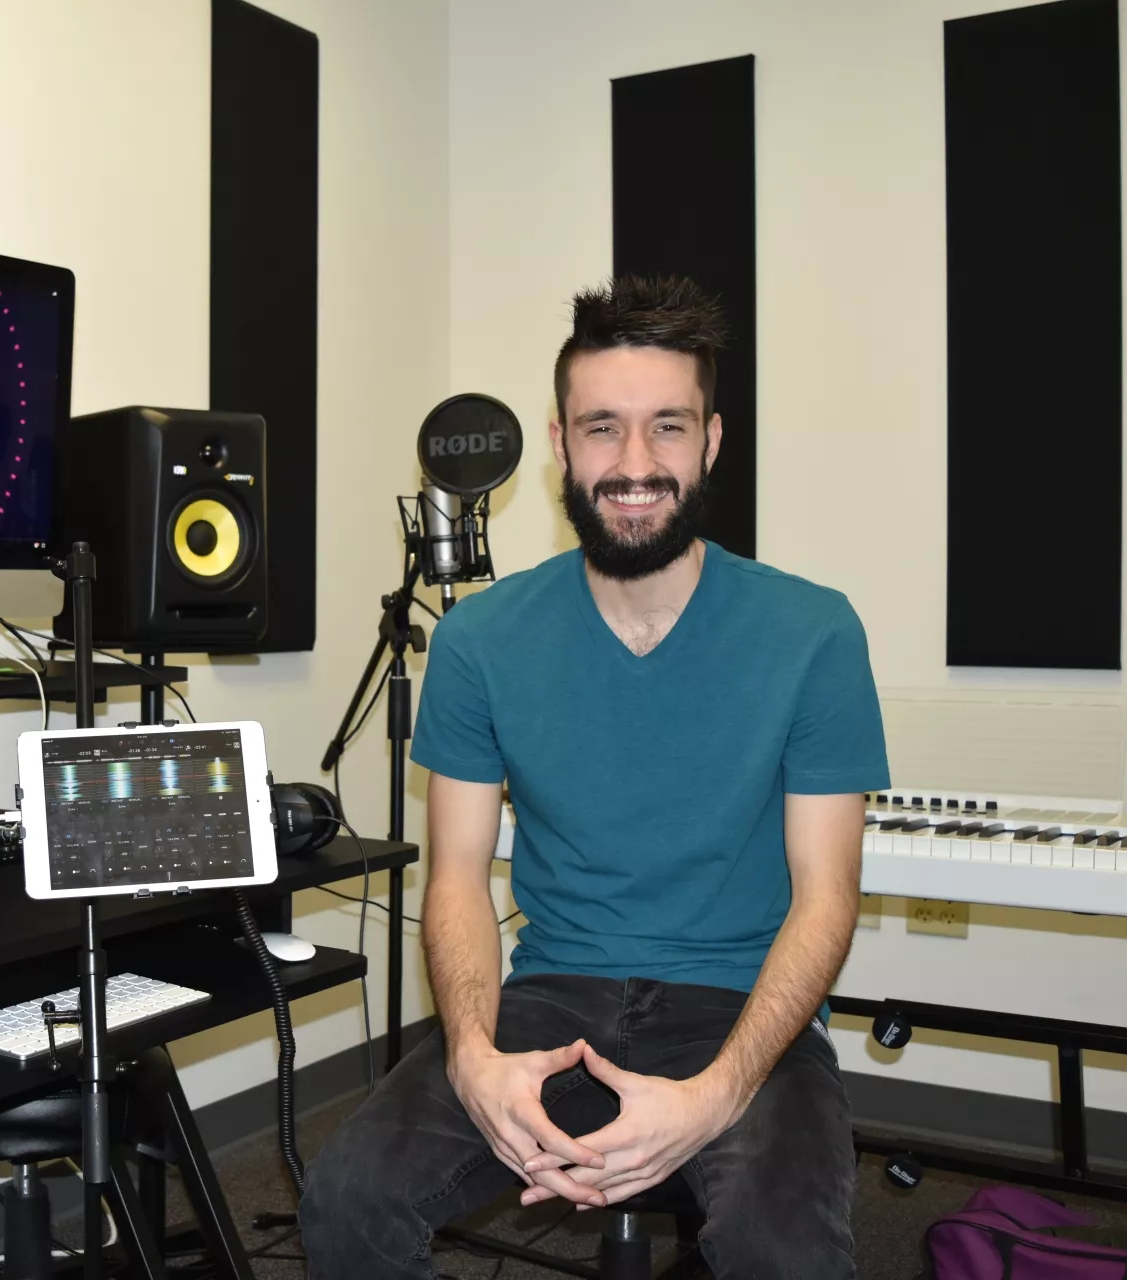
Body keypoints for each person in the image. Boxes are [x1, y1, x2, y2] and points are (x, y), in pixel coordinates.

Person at [299, 275, 888, 1278]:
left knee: (782, 1249)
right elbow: (455, 881)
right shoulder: (482, 639)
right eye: (603, 428)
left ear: (710, 441)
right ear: (561, 444)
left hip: (741, 1004)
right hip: (551, 996)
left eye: (668, 426)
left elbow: (827, 899)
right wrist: (475, 1056)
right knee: (347, 1197)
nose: (635, 462)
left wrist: (717, 1091)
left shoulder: (814, 629)